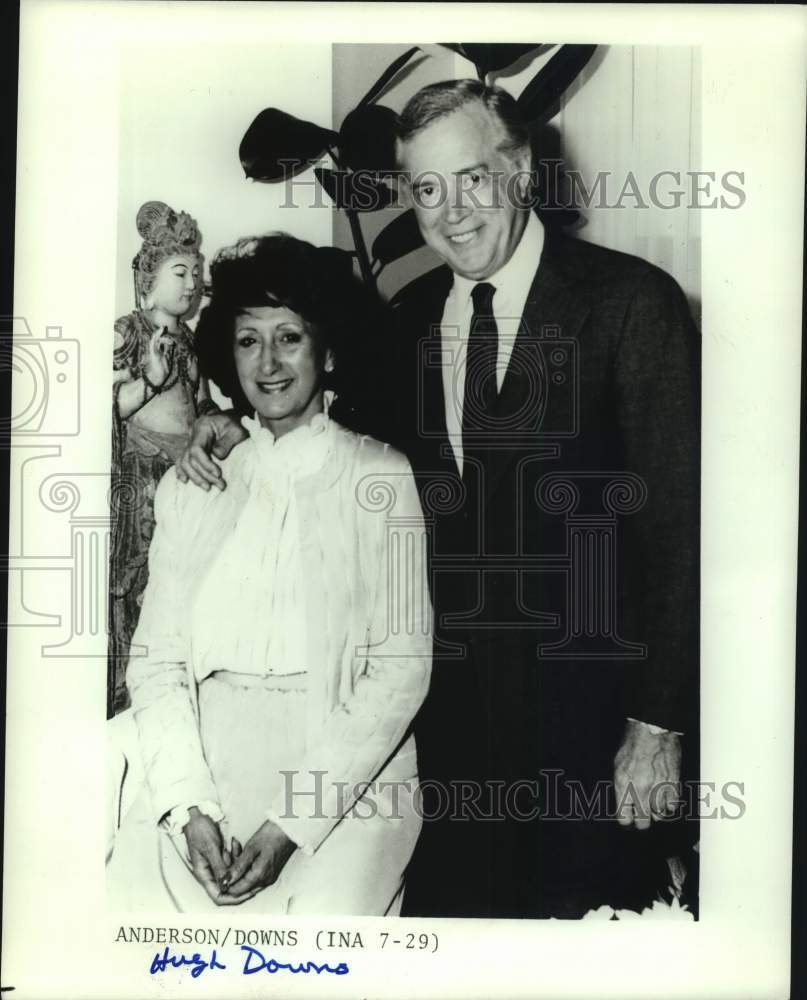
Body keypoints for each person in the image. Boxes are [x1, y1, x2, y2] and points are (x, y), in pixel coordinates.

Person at [177, 80, 700, 919]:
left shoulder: (630, 304)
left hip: (594, 725)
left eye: (471, 178)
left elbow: (678, 533)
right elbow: (330, 425)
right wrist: (226, 423)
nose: (450, 211)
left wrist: (658, 727)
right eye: (426, 188)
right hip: (452, 736)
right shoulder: (410, 321)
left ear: (520, 172)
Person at [106, 234, 431, 916]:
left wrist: (293, 823)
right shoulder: (192, 485)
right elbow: (158, 661)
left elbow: (401, 668)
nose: (269, 361)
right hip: (206, 755)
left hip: (347, 773)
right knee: (136, 916)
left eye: (289, 337)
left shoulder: (381, 476)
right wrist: (188, 806)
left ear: (329, 350)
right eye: (249, 341)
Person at [108, 200, 218, 717]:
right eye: (181, 272)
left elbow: (199, 404)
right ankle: (127, 696)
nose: (192, 283)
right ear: (150, 276)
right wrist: (149, 378)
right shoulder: (129, 332)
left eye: (197, 273)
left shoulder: (191, 340)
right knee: (137, 584)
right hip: (142, 474)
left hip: (183, 474)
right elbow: (103, 407)